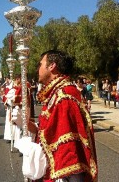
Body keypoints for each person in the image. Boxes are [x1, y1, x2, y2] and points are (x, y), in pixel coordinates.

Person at [21, 50, 98, 181]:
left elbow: (70, 150)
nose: (38, 69)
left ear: (52, 66)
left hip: (62, 174)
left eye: (40, 64)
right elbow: (51, 132)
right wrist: (31, 126)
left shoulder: (65, 96)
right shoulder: (56, 93)